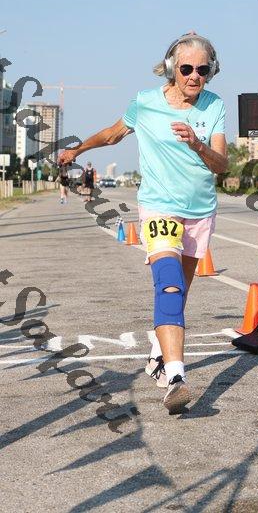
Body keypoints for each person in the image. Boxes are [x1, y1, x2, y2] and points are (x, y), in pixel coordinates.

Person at [58, 32, 228, 414]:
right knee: (168, 285)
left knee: (179, 294)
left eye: (202, 70)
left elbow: (221, 164)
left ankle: (157, 352)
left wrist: (197, 144)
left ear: (211, 71)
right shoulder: (146, 103)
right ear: (171, 68)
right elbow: (113, 134)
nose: (194, 76)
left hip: (200, 210)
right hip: (159, 206)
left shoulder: (214, 105)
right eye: (187, 68)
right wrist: (78, 149)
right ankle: (176, 377)